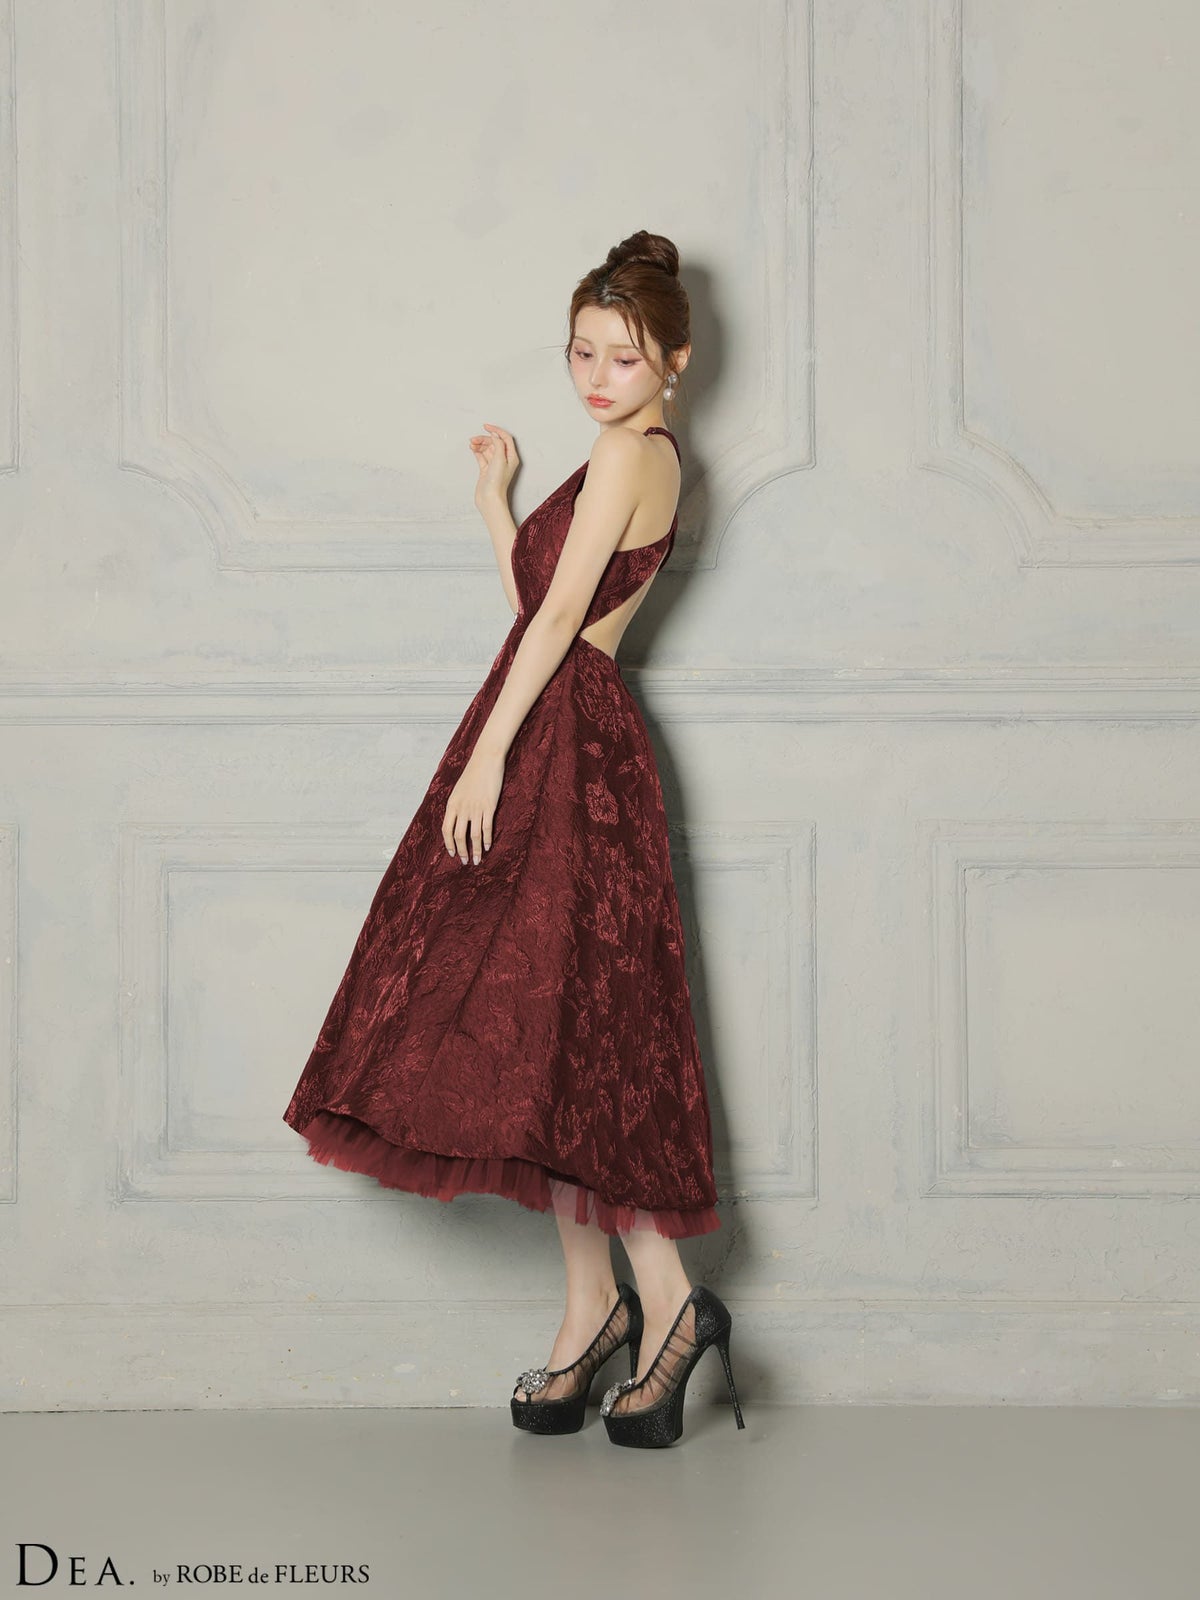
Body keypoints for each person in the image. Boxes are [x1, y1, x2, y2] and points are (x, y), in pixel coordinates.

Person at [282, 230, 744, 1448]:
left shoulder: (631, 452)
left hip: (562, 740)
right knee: (549, 1032)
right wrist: (495, 507)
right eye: (581, 353)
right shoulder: (630, 454)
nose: (596, 377)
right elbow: (544, 604)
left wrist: (489, 749)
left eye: (624, 357)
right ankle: (599, 1308)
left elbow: (557, 625)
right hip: (561, 725)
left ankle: (667, 1305)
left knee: (573, 1027)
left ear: (677, 363)